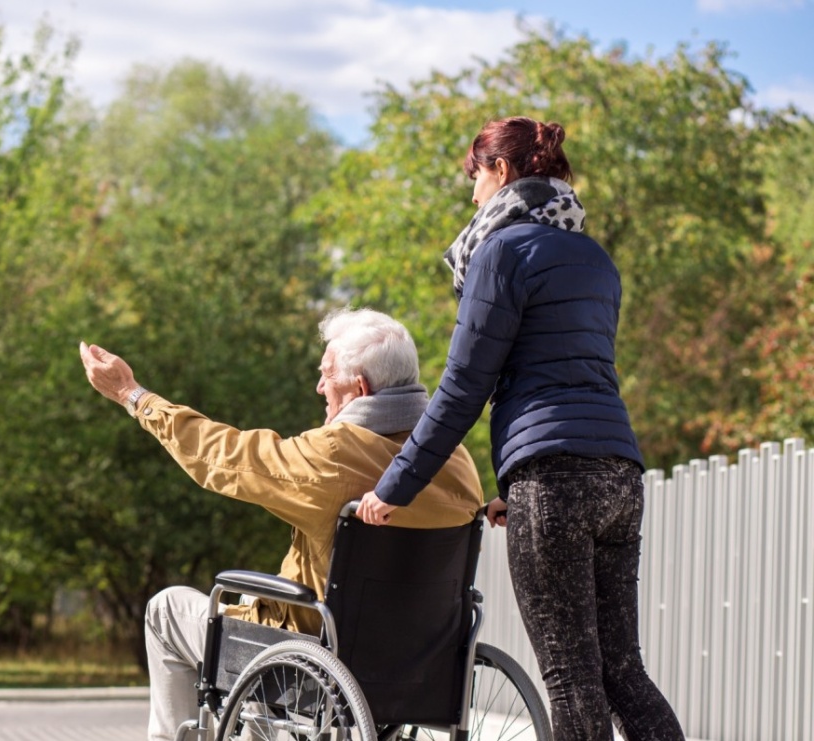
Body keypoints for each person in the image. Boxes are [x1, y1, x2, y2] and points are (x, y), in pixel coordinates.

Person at [356, 116, 684, 741]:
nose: (471, 194)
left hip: (555, 482)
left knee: (569, 676)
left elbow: (462, 388)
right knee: (622, 672)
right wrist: (522, 482)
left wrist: (391, 489)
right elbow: (574, 378)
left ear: (500, 171)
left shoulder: (502, 251)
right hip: (618, 476)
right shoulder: (594, 258)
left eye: (474, 177)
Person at [79, 307, 484, 741]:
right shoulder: (456, 461)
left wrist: (134, 396)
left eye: (327, 375)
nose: (319, 386)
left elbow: (224, 455)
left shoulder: (332, 455)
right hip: (420, 662)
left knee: (167, 609)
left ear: (360, 388)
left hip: (314, 658)